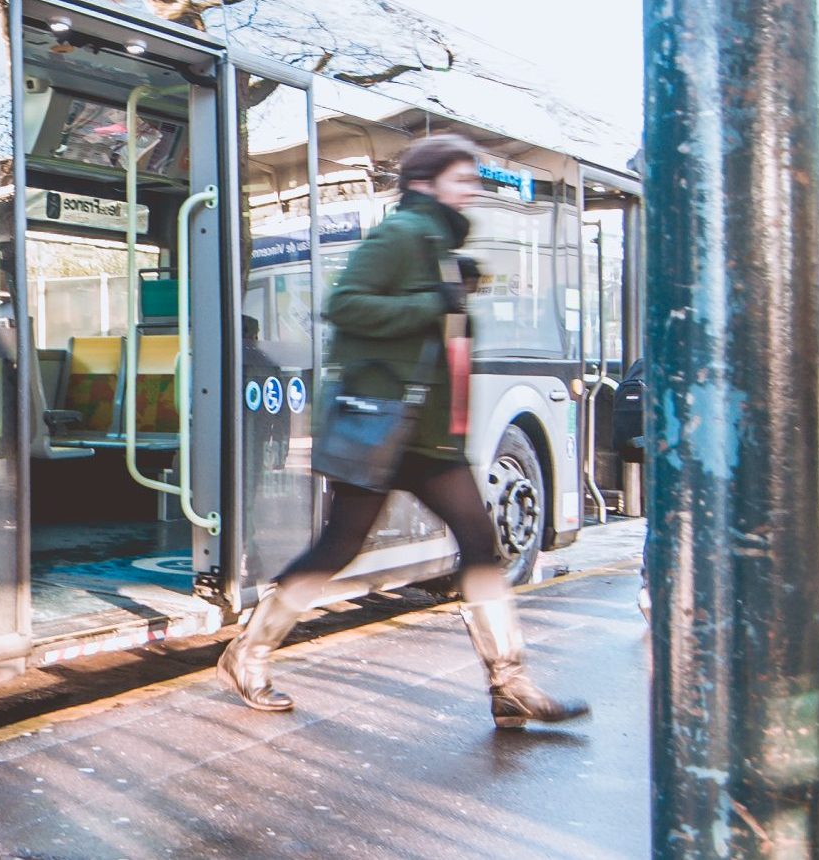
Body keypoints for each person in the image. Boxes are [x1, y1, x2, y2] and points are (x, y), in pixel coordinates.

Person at [218, 133, 587, 728]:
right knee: (338, 547)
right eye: (460, 179)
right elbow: (344, 306)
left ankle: (509, 682)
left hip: (427, 437)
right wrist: (431, 303)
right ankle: (249, 652)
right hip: (385, 426)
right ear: (424, 183)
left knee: (479, 541)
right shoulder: (401, 235)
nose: (471, 190)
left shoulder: (440, 245)